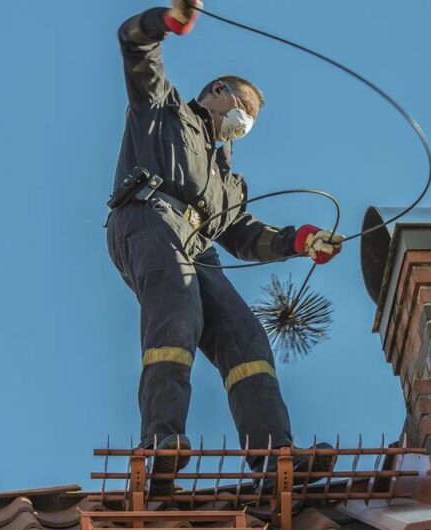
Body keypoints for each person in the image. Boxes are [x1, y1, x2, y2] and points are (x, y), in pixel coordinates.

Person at [105, 0, 344, 492]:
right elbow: (133, 42)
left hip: (198, 240)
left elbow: (244, 235)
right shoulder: (163, 110)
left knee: (246, 339)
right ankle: (162, 440)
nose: (246, 119)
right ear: (217, 92)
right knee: (178, 308)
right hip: (148, 216)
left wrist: (302, 241)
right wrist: (167, 22)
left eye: (253, 116)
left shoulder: (228, 182)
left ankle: (275, 458)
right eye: (243, 106)